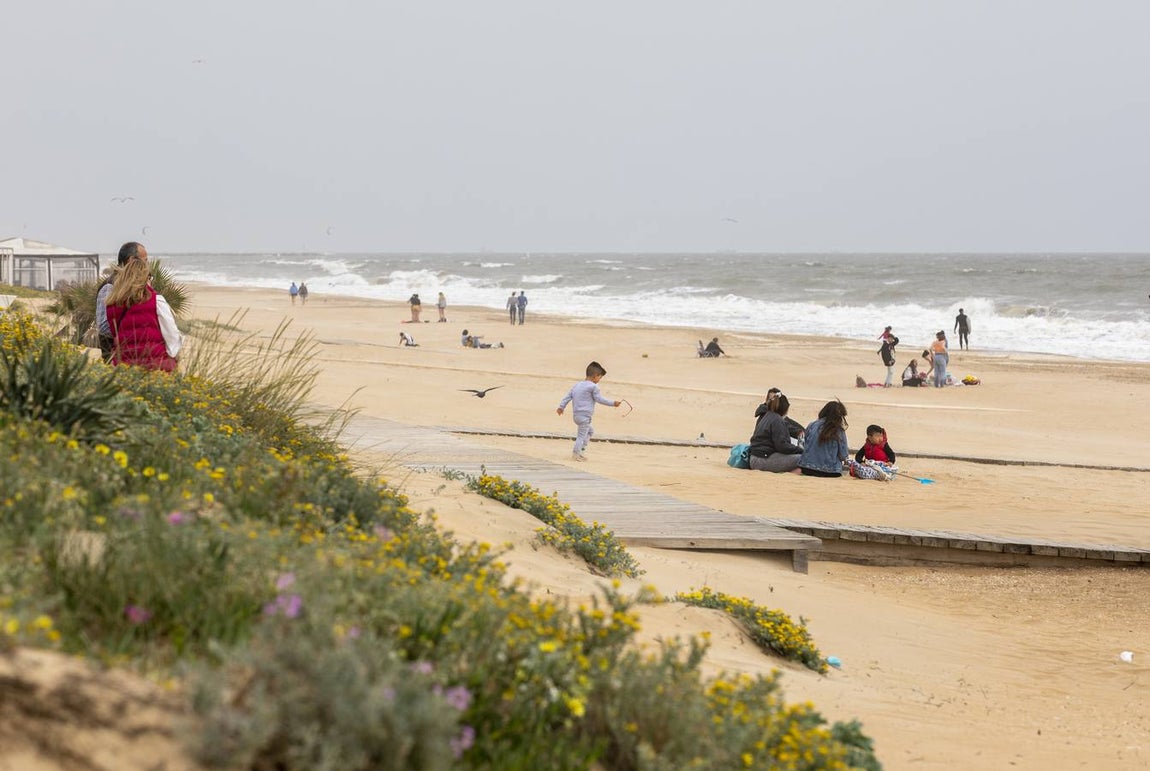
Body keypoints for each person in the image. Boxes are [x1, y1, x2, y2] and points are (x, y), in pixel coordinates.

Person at [105, 250, 182, 372]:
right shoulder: (156, 300)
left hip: (123, 367)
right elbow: (172, 336)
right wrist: (173, 357)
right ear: (145, 277)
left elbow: (116, 333)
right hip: (155, 366)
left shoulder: (112, 302)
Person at [556, 360, 621, 461]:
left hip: (576, 415)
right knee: (581, 436)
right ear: (595, 376)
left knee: (590, 431)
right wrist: (613, 403)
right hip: (585, 416)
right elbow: (599, 399)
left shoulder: (577, 385)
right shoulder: (594, 387)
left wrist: (561, 407)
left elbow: (568, 396)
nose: (599, 380)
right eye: (600, 377)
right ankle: (576, 453)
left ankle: (581, 450)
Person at [96, 241, 142, 362]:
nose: (147, 265)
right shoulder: (110, 286)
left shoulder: (132, 285)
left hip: (132, 357)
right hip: (114, 359)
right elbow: (103, 327)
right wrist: (130, 333)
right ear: (131, 260)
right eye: (145, 260)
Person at [747, 391, 803, 472]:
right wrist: (800, 450)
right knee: (802, 459)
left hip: (755, 457)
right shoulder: (777, 420)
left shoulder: (767, 416)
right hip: (761, 460)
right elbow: (782, 446)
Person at [798, 400, 849, 477]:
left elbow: (804, 445)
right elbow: (843, 455)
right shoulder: (839, 430)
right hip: (830, 471)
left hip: (807, 468)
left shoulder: (812, 425)